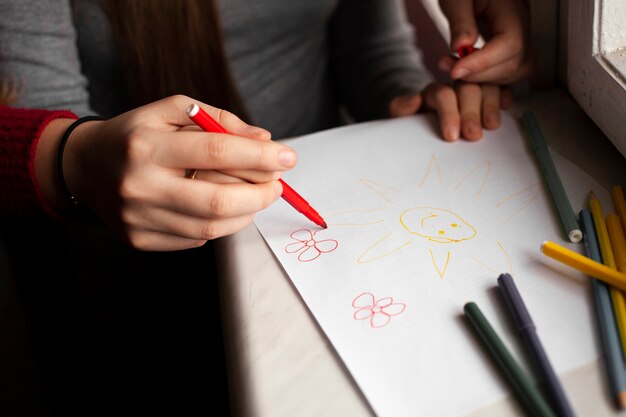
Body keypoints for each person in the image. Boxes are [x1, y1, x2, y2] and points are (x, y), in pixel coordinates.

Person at [0, 0, 533, 415]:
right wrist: (79, 157)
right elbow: (32, 102)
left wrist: (407, 103)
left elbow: (370, 53)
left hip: (306, 223)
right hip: (142, 287)